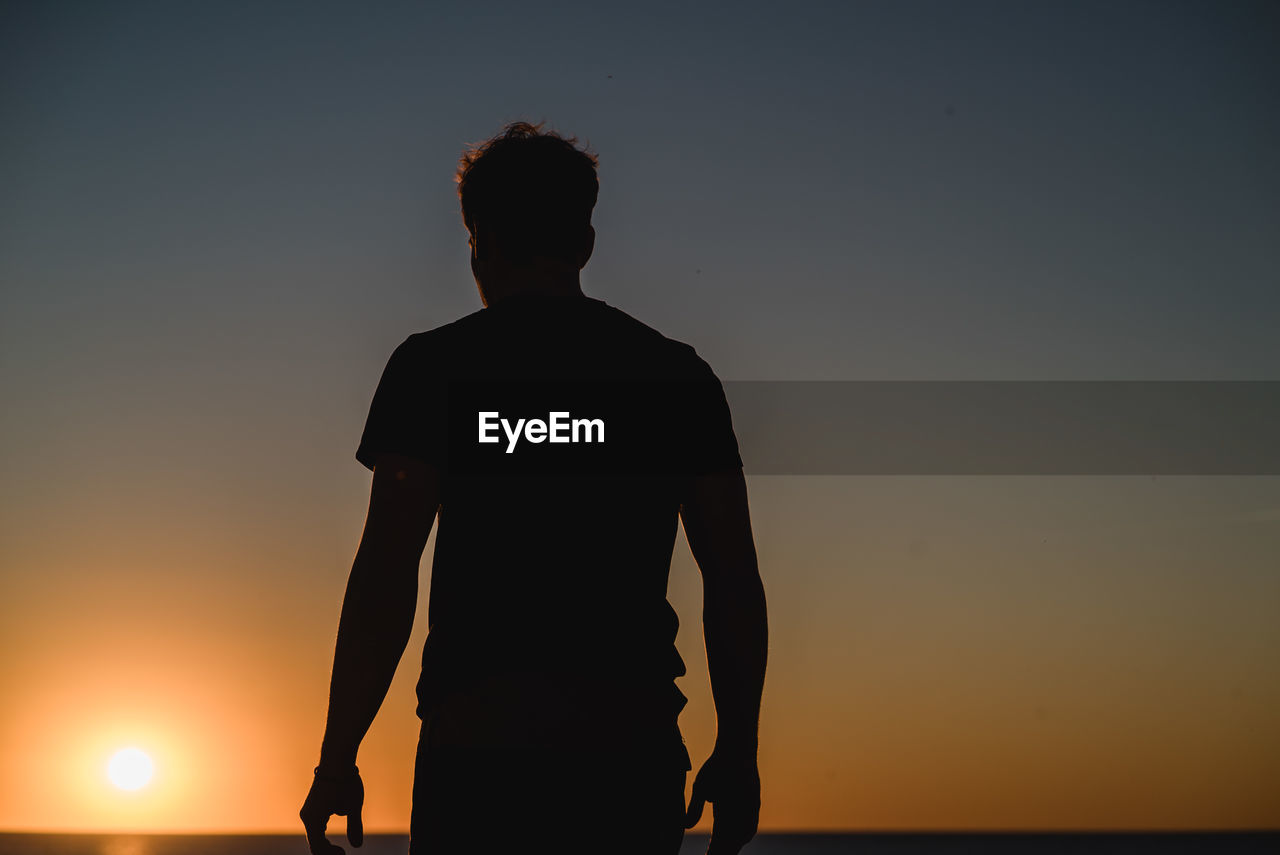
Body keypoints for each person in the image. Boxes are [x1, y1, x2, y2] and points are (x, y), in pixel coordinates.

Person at [300, 121, 768, 855]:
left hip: (478, 760)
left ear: (476, 239)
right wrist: (738, 753)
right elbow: (734, 580)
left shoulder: (433, 370)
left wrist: (337, 756)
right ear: (583, 243)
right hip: (628, 757)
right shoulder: (676, 376)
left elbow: (386, 574)